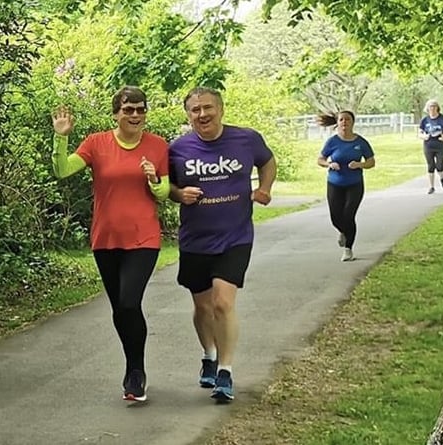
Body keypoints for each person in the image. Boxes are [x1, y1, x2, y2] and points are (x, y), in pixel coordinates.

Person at [50, 86, 169, 402]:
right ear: (116, 113)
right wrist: (61, 137)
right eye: (128, 109)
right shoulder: (96, 143)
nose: (135, 115)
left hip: (143, 237)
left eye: (140, 109)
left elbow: (163, 192)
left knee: (130, 302)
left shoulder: (157, 146)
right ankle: (133, 370)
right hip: (106, 238)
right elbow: (62, 171)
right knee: (120, 308)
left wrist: (153, 180)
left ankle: (136, 371)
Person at [168, 86, 277, 402]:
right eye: (195, 110)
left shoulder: (246, 139)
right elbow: (165, 186)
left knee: (222, 303)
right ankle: (210, 354)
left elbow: (267, 162)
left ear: (221, 109)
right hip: (195, 239)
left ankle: (226, 372)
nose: (202, 114)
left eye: (208, 108)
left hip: (236, 236)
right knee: (202, 306)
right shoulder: (177, 149)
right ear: (188, 115)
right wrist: (178, 194)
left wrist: (265, 188)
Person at [317, 111, 375, 262]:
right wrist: (329, 163)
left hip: (354, 184)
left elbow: (371, 161)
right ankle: (343, 231)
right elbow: (320, 159)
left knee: (348, 215)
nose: (344, 122)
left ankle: (348, 249)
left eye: (348, 119)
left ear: (353, 122)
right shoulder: (332, 142)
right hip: (335, 184)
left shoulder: (360, 142)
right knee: (336, 217)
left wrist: (359, 164)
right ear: (338, 122)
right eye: (341, 120)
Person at [419, 99, 443, 194]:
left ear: (437, 108)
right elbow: (420, 132)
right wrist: (423, 137)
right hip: (428, 144)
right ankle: (431, 186)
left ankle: (441, 178)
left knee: (439, 165)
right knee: (431, 165)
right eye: (430, 107)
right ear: (427, 109)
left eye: (434, 106)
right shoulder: (425, 120)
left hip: (440, 143)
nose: (432, 108)